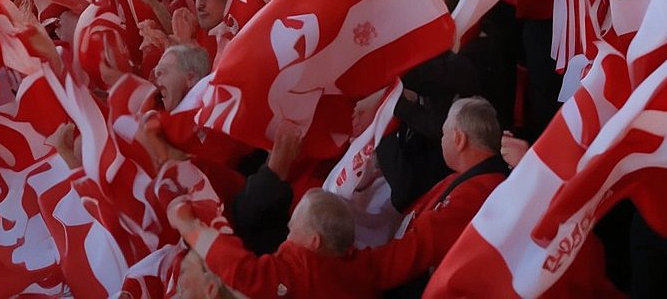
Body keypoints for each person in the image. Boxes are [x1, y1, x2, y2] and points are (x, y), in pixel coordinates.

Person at [360, 97, 510, 296]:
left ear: (459, 139)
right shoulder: (463, 178)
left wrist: (346, 268)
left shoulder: (477, 192)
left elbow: (417, 247)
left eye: (444, 134)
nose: (441, 140)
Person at [170, 187, 379, 297]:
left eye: (292, 230)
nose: (286, 237)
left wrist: (189, 227)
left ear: (313, 241)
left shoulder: (302, 271)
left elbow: (248, 274)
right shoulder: (364, 265)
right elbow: (409, 251)